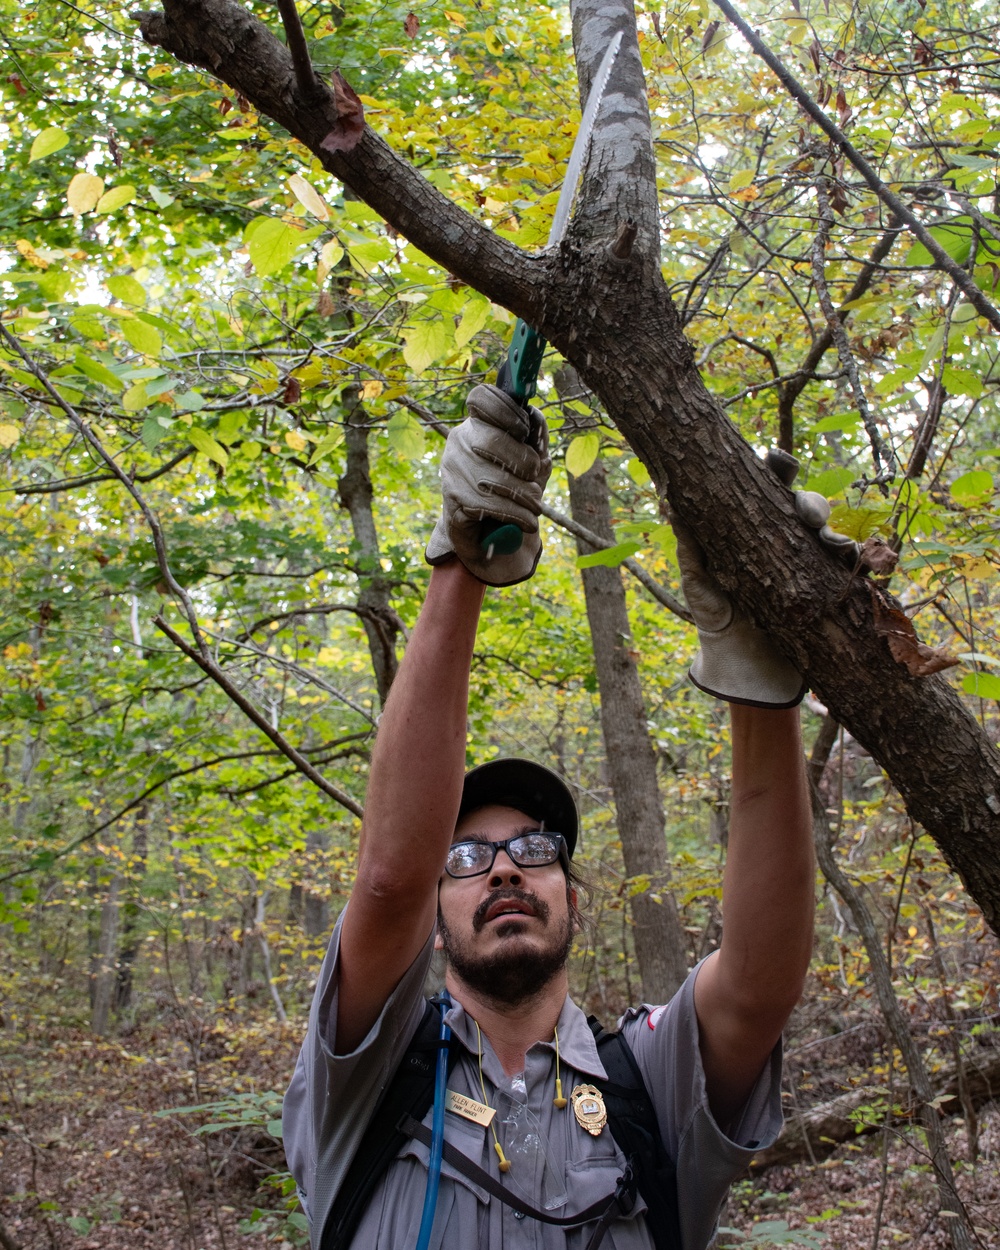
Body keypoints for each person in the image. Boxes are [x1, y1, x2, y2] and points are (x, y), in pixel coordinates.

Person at [283, 383, 822, 1250]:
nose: (502, 868)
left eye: (532, 850)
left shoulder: (646, 1081)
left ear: (576, 895)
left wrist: (759, 682)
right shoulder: (367, 1075)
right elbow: (387, 879)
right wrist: (461, 556)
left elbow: (759, 984)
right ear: (435, 911)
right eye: (465, 858)